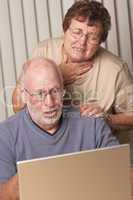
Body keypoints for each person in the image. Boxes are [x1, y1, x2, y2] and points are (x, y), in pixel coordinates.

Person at [12, 0, 133, 143]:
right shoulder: (43, 52)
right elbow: (17, 106)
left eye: (92, 37)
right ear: (65, 30)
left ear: (101, 41)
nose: (82, 42)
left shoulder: (116, 69)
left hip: (101, 150)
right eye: (77, 32)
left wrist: (107, 118)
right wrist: (57, 76)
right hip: (49, 148)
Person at [0, 57, 118, 200]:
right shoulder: (5, 135)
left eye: (55, 91)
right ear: (24, 96)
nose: (50, 103)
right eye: (40, 94)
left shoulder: (92, 124)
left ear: (63, 89)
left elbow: (122, 176)